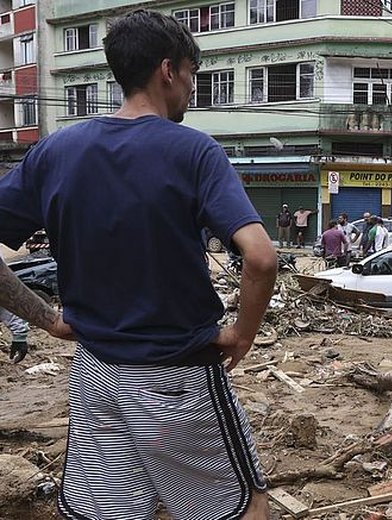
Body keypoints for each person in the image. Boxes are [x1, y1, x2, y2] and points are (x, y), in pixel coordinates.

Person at [0, 10, 277, 520]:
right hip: (181, 378)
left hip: (95, 374)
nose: (193, 89)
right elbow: (261, 257)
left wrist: (47, 319)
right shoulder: (195, 151)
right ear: (167, 71)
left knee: (108, 510)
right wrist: (242, 334)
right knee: (245, 506)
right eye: (193, 75)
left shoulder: (56, 150)